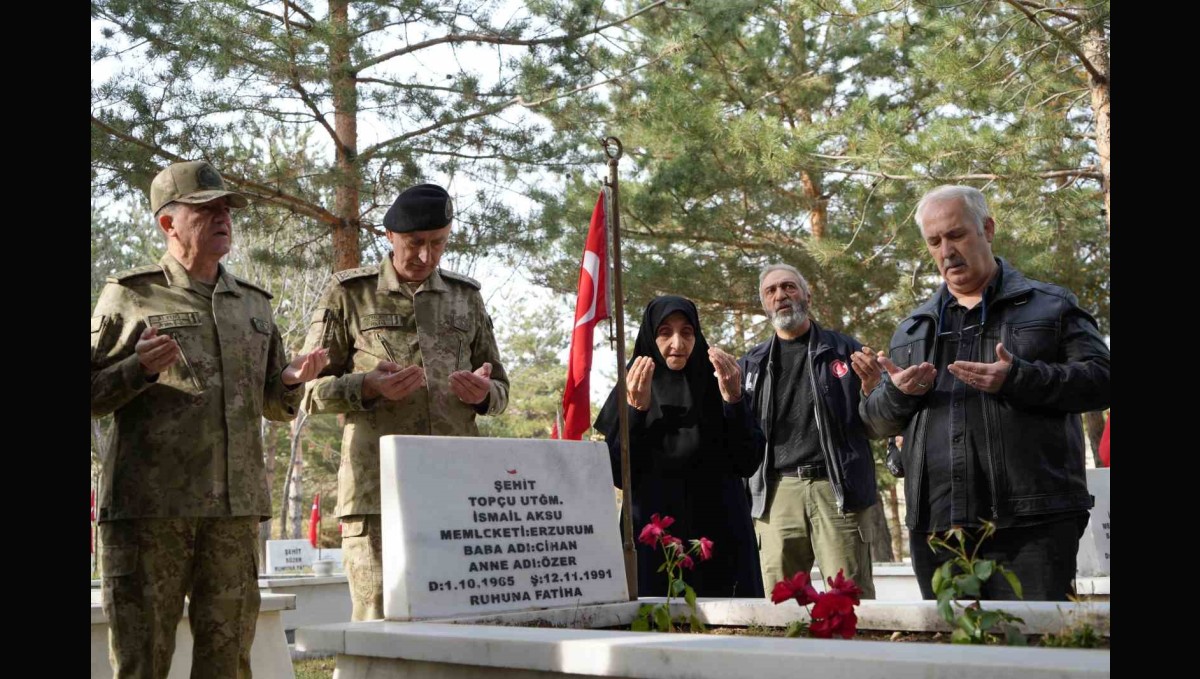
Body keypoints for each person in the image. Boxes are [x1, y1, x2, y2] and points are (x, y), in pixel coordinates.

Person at [91, 160, 329, 678]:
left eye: (226, 209)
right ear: (167, 223)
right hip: (151, 513)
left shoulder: (253, 305)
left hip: (233, 513)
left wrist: (290, 382)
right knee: (142, 660)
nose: (223, 218)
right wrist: (138, 370)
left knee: (227, 662)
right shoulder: (132, 295)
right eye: (206, 210)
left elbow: (273, 403)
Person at [860, 185, 1110, 601]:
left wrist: (1018, 378)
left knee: (1035, 658)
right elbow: (875, 422)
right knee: (958, 663)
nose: (946, 250)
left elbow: (1102, 379)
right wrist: (898, 395)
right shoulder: (914, 328)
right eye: (934, 241)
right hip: (939, 529)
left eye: (956, 235)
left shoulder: (1051, 306)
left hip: (1034, 524)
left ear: (988, 229)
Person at [300, 182, 509, 620]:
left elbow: (501, 388)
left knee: (461, 620)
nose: (426, 256)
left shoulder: (465, 298)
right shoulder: (350, 294)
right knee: (380, 620)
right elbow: (305, 392)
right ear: (389, 235)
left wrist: (485, 394)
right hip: (378, 491)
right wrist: (366, 387)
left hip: (457, 490)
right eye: (415, 244)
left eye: (439, 244)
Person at [596, 295, 764, 598]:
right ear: (650, 336)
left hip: (719, 531)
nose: (678, 343)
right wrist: (636, 411)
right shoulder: (632, 386)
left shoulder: (720, 384)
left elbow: (748, 460)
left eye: (687, 332)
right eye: (665, 332)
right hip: (653, 533)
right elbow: (618, 474)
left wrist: (734, 401)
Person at [737, 263, 885, 599]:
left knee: (850, 601)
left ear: (807, 295)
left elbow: (877, 425)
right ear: (764, 305)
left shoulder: (846, 351)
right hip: (776, 493)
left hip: (837, 490)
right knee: (781, 604)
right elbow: (740, 437)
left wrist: (873, 387)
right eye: (770, 291)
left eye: (789, 287)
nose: (781, 296)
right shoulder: (751, 364)